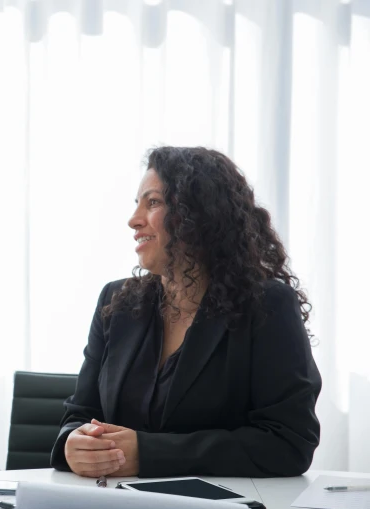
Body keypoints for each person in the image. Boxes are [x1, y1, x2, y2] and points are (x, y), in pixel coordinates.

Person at [51, 146, 321, 479]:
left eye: (152, 203)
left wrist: (148, 454)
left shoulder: (266, 304)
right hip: (115, 507)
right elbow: (80, 414)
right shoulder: (116, 302)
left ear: (200, 214)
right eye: (137, 204)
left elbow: (288, 442)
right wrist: (73, 443)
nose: (134, 220)